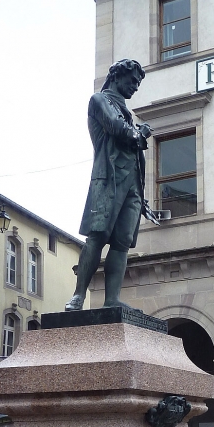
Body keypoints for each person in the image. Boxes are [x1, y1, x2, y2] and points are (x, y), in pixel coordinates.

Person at [65, 58, 154, 311]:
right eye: (133, 80)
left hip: (132, 185)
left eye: (138, 82)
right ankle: (78, 295)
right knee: (98, 235)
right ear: (117, 76)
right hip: (109, 179)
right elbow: (117, 128)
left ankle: (111, 299)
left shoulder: (125, 111)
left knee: (122, 241)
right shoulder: (100, 100)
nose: (135, 86)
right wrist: (140, 134)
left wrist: (141, 194)